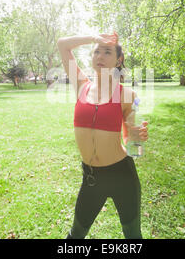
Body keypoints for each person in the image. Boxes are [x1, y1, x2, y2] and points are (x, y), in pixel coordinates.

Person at [57, 32, 149, 239]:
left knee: (133, 236)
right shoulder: (81, 85)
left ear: (118, 60)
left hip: (122, 175)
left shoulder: (128, 95)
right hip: (91, 177)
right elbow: (63, 45)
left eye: (107, 52)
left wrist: (137, 138)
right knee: (76, 234)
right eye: (96, 51)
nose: (100, 56)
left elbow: (134, 147)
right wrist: (94, 37)